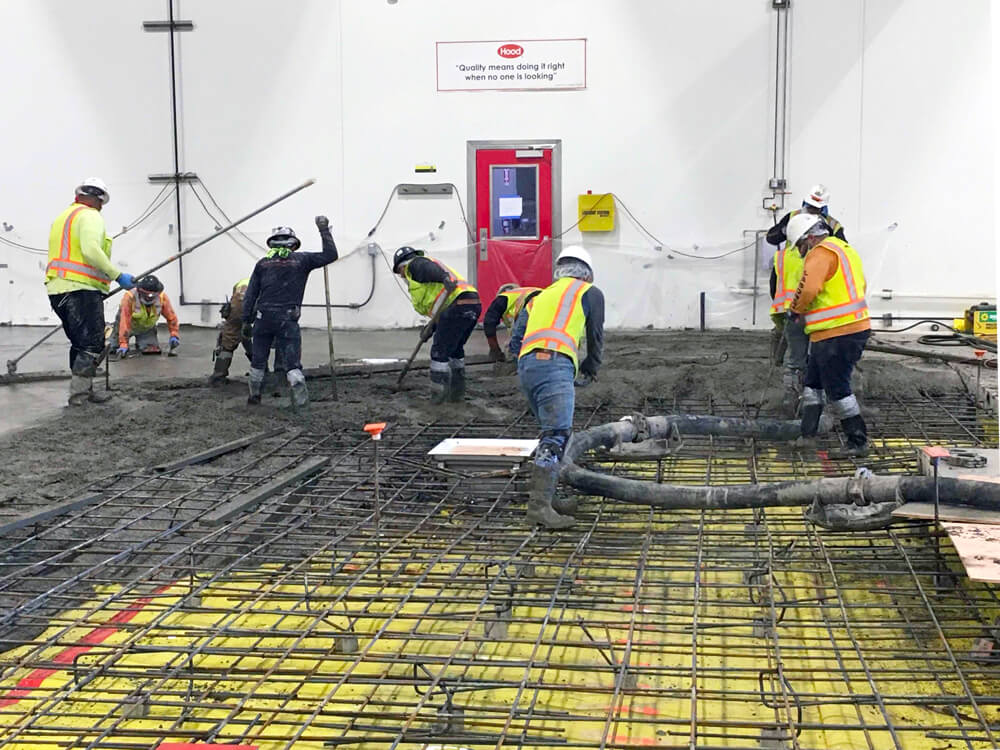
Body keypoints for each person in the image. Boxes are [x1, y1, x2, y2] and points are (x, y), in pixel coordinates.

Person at [513, 246, 604, 529]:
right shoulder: (589, 292)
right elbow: (595, 335)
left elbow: (516, 338)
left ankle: (548, 497)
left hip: (528, 365)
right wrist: (591, 366)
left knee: (551, 433)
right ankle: (539, 508)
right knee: (556, 436)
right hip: (554, 363)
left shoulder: (539, 296)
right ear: (587, 274)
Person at [786, 212, 871, 457]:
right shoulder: (845, 250)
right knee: (813, 384)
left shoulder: (820, 253)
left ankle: (858, 442)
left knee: (837, 388)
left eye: (800, 245)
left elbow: (809, 288)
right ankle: (807, 435)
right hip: (838, 331)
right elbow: (860, 285)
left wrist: (795, 309)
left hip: (837, 332)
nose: (801, 251)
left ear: (809, 238)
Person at [45, 177, 135, 405]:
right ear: (99, 200)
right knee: (92, 344)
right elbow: (90, 250)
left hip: (58, 290)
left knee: (80, 343)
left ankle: (83, 391)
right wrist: (117, 275)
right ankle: (80, 397)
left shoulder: (63, 217)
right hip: (80, 289)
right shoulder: (90, 216)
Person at [766, 185, 847, 414]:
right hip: (805, 309)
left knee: (803, 358)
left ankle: (802, 402)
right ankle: (805, 403)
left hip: (807, 309)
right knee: (808, 357)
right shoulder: (793, 222)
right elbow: (772, 238)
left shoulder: (832, 228)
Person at [242, 217, 338, 410]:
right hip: (287, 319)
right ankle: (301, 405)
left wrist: (246, 321)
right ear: (293, 244)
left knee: (258, 361)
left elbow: (251, 294)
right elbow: (330, 255)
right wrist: (324, 230)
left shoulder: (262, 264)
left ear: (272, 244)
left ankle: (254, 398)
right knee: (292, 365)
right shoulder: (302, 260)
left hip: (263, 319)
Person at [392, 247, 480, 404]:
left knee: (439, 352)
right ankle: (456, 395)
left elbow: (427, 268)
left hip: (457, 305)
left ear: (402, 266)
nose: (402, 277)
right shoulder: (426, 271)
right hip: (471, 303)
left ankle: (438, 397)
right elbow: (441, 308)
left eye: (400, 273)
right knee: (455, 349)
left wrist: (444, 278)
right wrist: (431, 328)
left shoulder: (415, 265)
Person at [113, 275, 179, 356]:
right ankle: (115, 340)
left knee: (150, 350)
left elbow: (171, 317)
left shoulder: (162, 298)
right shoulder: (130, 297)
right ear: (139, 291)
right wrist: (123, 343)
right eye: (145, 294)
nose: (148, 298)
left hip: (146, 330)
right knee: (113, 349)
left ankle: (144, 341)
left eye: (151, 295)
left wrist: (174, 335)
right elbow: (124, 320)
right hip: (125, 327)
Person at [482, 283, 541, 362]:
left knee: (517, 341)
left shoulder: (503, 297)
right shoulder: (523, 293)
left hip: (532, 304)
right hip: (550, 303)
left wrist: (494, 349)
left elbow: (488, 323)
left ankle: (515, 363)